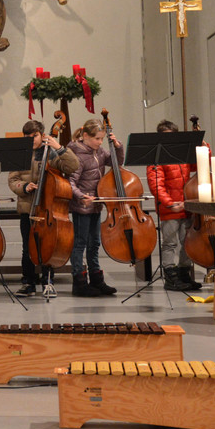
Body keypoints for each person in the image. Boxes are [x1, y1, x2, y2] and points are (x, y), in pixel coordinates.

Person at [7, 119, 79, 299]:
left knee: (49, 246)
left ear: (42, 135)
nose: (31, 139)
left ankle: (48, 281)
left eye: (35, 136)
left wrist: (60, 148)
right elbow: (13, 180)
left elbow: (72, 166)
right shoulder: (20, 154)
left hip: (48, 209)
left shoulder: (52, 153)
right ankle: (28, 282)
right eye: (27, 136)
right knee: (27, 248)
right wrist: (24, 187)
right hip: (28, 208)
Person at [67, 119, 123, 297]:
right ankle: (79, 282)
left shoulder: (99, 151)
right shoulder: (76, 155)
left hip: (96, 204)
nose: (100, 142)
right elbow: (70, 182)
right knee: (80, 243)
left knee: (94, 243)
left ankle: (97, 280)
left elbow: (116, 163)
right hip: (82, 205)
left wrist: (117, 147)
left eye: (102, 139)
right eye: (97, 138)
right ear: (85, 136)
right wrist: (81, 196)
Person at [146, 120, 202, 292]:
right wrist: (170, 204)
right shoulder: (156, 157)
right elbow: (156, 185)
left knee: (187, 242)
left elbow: (200, 163)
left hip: (186, 205)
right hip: (170, 208)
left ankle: (184, 274)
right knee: (170, 243)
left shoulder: (182, 154)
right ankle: (170, 277)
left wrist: (201, 145)